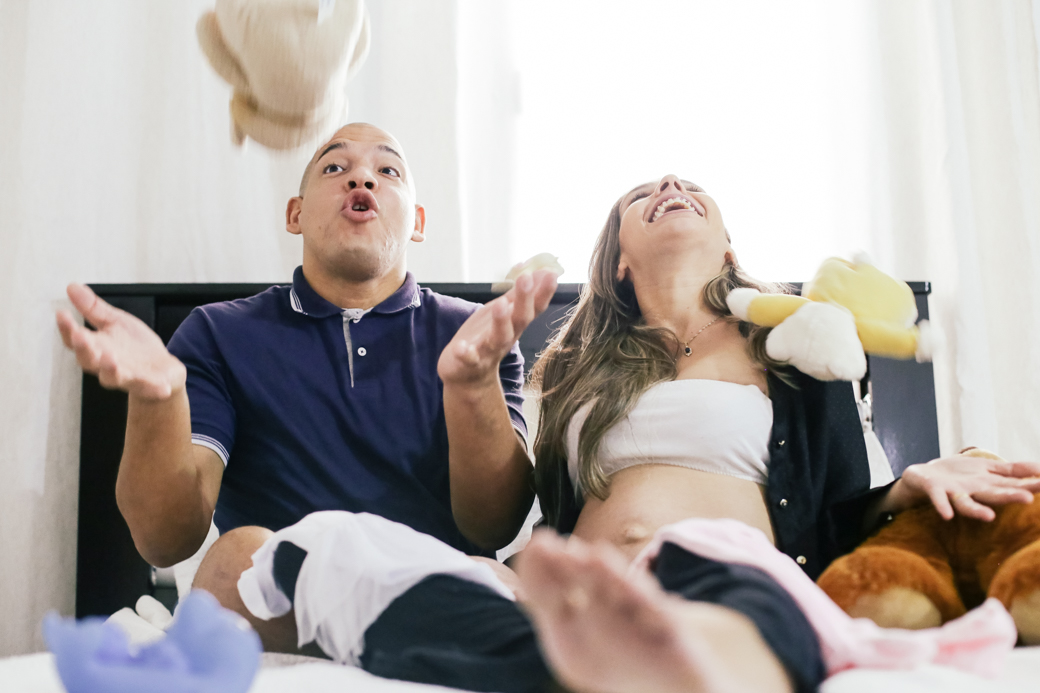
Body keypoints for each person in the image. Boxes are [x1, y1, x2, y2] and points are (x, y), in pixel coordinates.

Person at [256, 174, 1040, 693]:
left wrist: (903, 486)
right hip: (567, 589)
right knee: (326, 547)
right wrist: (470, 388)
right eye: (643, 193)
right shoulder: (567, 372)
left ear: (730, 245)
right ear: (619, 261)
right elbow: (505, 517)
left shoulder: (800, 347)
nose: (669, 185)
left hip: (723, 572)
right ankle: (598, 652)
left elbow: (838, 507)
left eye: (690, 188)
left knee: (748, 615)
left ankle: (676, 659)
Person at [55, 122, 557, 651]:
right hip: (282, 598)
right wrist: (156, 400)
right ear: (295, 213)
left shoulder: (476, 333)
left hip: (435, 582)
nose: (361, 178)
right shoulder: (217, 332)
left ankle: (402, 641)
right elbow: (164, 540)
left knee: (496, 575)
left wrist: (473, 383)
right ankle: (415, 649)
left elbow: (493, 527)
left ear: (418, 222)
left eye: (387, 171)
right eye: (335, 167)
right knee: (231, 564)